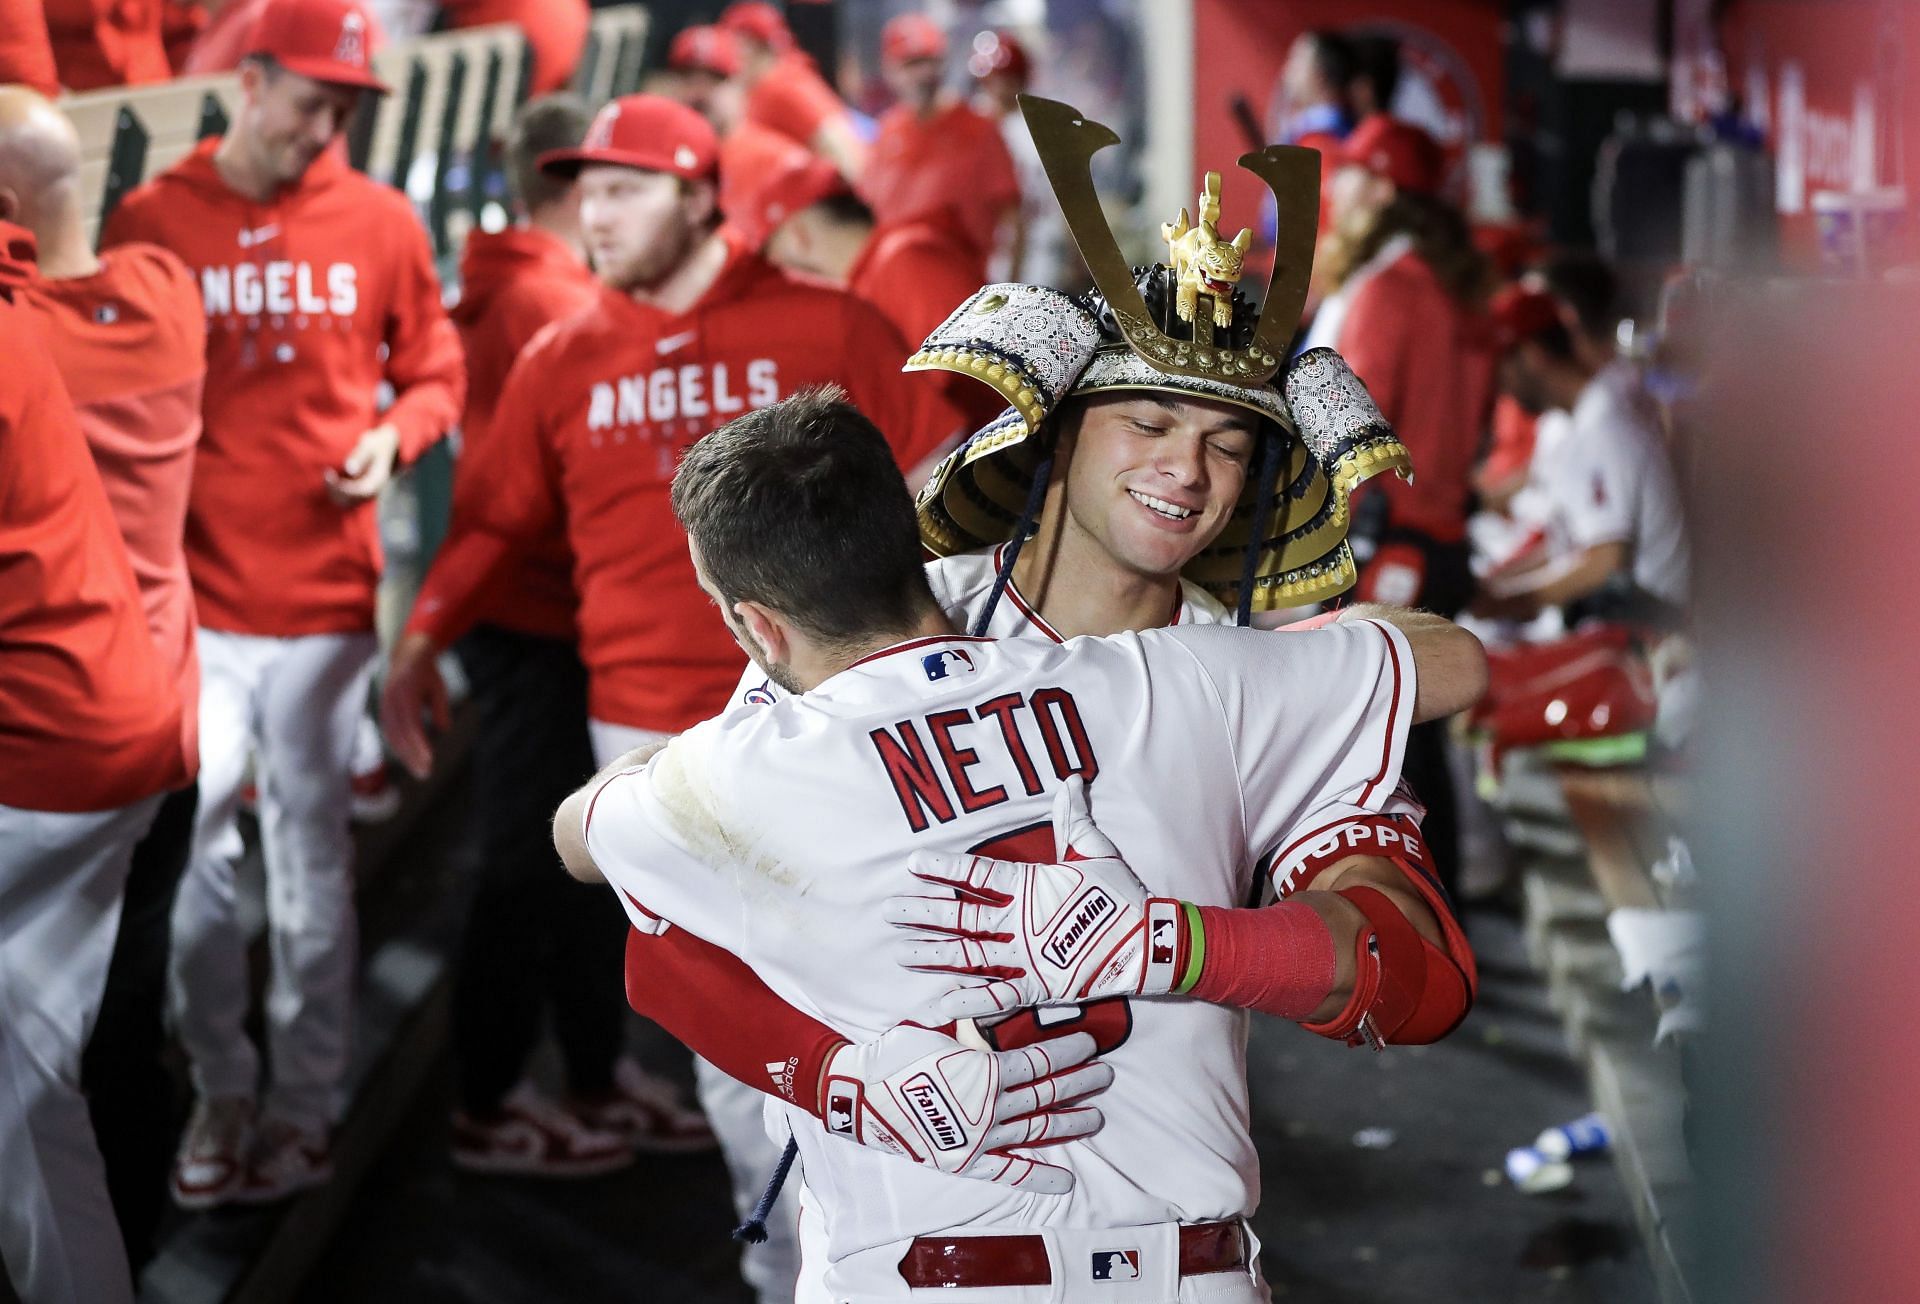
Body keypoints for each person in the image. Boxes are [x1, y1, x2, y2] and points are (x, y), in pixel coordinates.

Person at [612, 126, 1474, 1303]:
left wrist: (1177, 941)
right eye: (1150, 424)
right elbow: (669, 944)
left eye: (1230, 444)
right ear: (1056, 434)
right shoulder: (872, 622)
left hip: (1176, 1262)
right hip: (903, 1268)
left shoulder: (1253, 685)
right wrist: (835, 1074)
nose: (1189, 471)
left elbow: (1415, 975)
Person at [376, 92, 958, 1295]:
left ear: (699, 193)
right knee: (731, 1019)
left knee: (884, 975)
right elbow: (492, 517)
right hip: (647, 724)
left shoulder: (827, 322)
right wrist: (419, 638)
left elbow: (943, 476)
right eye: (582, 188)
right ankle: (799, 1273)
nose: (594, 208)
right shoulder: (560, 355)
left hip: (831, 706)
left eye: (626, 185)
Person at [101, 0, 466, 1210]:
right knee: (197, 852)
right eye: (312, 99)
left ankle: (304, 1104)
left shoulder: (378, 218)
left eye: (349, 109)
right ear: (250, 82)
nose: (328, 126)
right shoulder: (156, 216)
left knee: (311, 857)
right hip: (194, 595)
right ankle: (222, 1085)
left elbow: (436, 369)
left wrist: (394, 434)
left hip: (319, 596)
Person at [432, 92, 714, 1175]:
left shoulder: (531, 288)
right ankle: (493, 1096)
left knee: (580, 866)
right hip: (533, 619)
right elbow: (526, 497)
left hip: (548, 617)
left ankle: (592, 1071)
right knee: (531, 862)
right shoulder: (552, 304)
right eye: (605, 186)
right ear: (571, 192)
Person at [1, 86, 207, 1272]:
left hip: (67, 725)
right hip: (156, 694)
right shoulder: (166, 293)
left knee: (83, 1041)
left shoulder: (32, 335)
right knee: (108, 1024)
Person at [1303, 113, 1496, 900]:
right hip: (1440, 537)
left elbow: (1352, 427)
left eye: (1348, 172)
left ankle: (1423, 928)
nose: (1336, 189)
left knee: (1391, 752)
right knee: (1417, 746)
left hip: (1395, 544)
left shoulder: (1390, 286)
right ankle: (1436, 917)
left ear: (1380, 186)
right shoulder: (1451, 285)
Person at [1474, 262, 1689, 624]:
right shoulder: (1585, 413)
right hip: (1625, 618)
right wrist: (1494, 589)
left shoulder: (1605, 423)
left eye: (1503, 367)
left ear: (1532, 354)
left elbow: (1605, 562)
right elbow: (1568, 544)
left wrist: (1510, 604)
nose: (1501, 385)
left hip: (1650, 632)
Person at [755, 154, 994, 429]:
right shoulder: (876, 273)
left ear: (798, 235)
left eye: (770, 249)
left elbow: (972, 379)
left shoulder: (905, 260)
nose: (773, 264)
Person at [860, 13, 1022, 277]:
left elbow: (1013, 220)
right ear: (889, 69)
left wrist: (1009, 292)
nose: (923, 74)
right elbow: (869, 210)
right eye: (911, 63)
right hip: (896, 286)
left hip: (961, 291)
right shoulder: (887, 131)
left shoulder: (979, 129)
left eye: (929, 61)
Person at [660, 21, 813, 252]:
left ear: (742, 85)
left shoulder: (780, 161)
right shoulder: (661, 160)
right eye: (687, 78)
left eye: (715, 79)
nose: (698, 93)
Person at [719, 2, 865, 179]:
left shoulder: (783, 83)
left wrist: (855, 204)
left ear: (749, 46)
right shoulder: (755, 87)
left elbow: (843, 146)